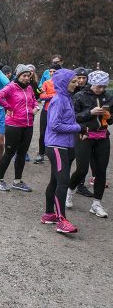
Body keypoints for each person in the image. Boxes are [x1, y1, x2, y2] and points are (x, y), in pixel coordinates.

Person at [66, 71, 112, 218]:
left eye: (104, 86)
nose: (101, 89)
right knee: (81, 169)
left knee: (101, 171)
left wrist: (109, 117)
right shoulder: (80, 96)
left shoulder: (109, 96)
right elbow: (72, 118)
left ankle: (96, 204)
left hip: (103, 137)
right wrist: (90, 112)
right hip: (84, 136)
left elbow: (111, 120)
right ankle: (70, 191)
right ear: (92, 83)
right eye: (99, 86)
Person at [41, 69, 81, 233]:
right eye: (73, 81)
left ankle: (49, 214)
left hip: (64, 146)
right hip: (56, 146)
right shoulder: (59, 100)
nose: (76, 83)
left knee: (55, 181)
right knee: (63, 181)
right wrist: (78, 128)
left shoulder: (67, 98)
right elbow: (54, 125)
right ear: (64, 83)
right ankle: (61, 220)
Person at [0, 64, 40, 192]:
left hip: (28, 125)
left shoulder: (29, 88)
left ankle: (17, 181)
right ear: (18, 76)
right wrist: (8, 107)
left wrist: (36, 108)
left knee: (22, 154)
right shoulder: (11, 87)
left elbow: (34, 100)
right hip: (13, 125)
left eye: (28, 76)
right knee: (9, 153)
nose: (26, 78)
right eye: (24, 76)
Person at [71, 67, 94, 197]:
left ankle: (80, 185)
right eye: (78, 78)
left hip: (84, 128)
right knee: (70, 156)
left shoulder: (91, 91)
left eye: (83, 78)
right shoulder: (71, 89)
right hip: (71, 127)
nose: (80, 80)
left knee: (83, 159)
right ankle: (63, 181)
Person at [35, 64, 61, 164]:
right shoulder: (46, 82)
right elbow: (41, 96)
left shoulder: (63, 83)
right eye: (50, 71)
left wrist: (49, 96)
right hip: (46, 110)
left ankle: (56, 153)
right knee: (42, 133)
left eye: (54, 71)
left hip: (58, 111)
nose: (52, 73)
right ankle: (41, 154)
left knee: (56, 132)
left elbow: (64, 94)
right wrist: (54, 95)